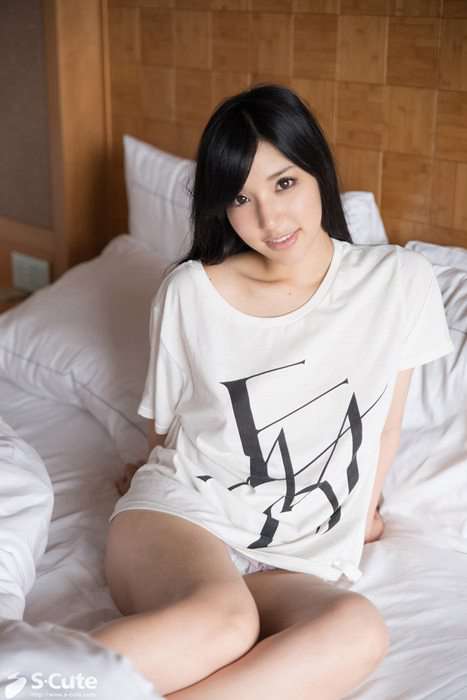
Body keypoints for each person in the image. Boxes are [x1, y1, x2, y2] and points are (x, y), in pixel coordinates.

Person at [92, 84, 453, 699]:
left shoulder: (400, 281)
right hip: (186, 520)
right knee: (223, 623)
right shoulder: (190, 292)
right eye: (241, 197)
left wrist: (362, 514)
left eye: (284, 183)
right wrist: (146, 476)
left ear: (318, 172)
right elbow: (166, 430)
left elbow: (385, 424)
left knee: (356, 630)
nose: (270, 219)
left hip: (297, 557)